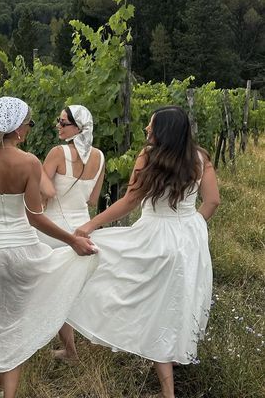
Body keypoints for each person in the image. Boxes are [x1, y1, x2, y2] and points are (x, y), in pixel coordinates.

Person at [67, 106, 220, 398]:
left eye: (150, 126)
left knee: (147, 300)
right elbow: (212, 201)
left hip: (154, 236)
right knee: (179, 298)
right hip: (189, 239)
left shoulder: (149, 156)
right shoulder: (200, 159)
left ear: (162, 131)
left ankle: (167, 391)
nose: (147, 131)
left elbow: (130, 202)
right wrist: (192, 226)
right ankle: (173, 355)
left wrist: (91, 225)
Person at [0, 96, 98, 398]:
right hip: (24, 251)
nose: (30, 129)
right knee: (15, 325)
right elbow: (35, 217)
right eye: (29, 124)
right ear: (17, 128)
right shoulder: (29, 162)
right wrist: (72, 240)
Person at [38, 104, 105, 362]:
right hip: (84, 230)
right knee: (72, 291)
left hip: (54, 230)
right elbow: (94, 199)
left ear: (78, 127)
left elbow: (42, 193)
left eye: (63, 122)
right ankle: (71, 348)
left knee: (53, 292)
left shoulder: (57, 153)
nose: (58, 125)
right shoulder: (99, 157)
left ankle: (65, 348)